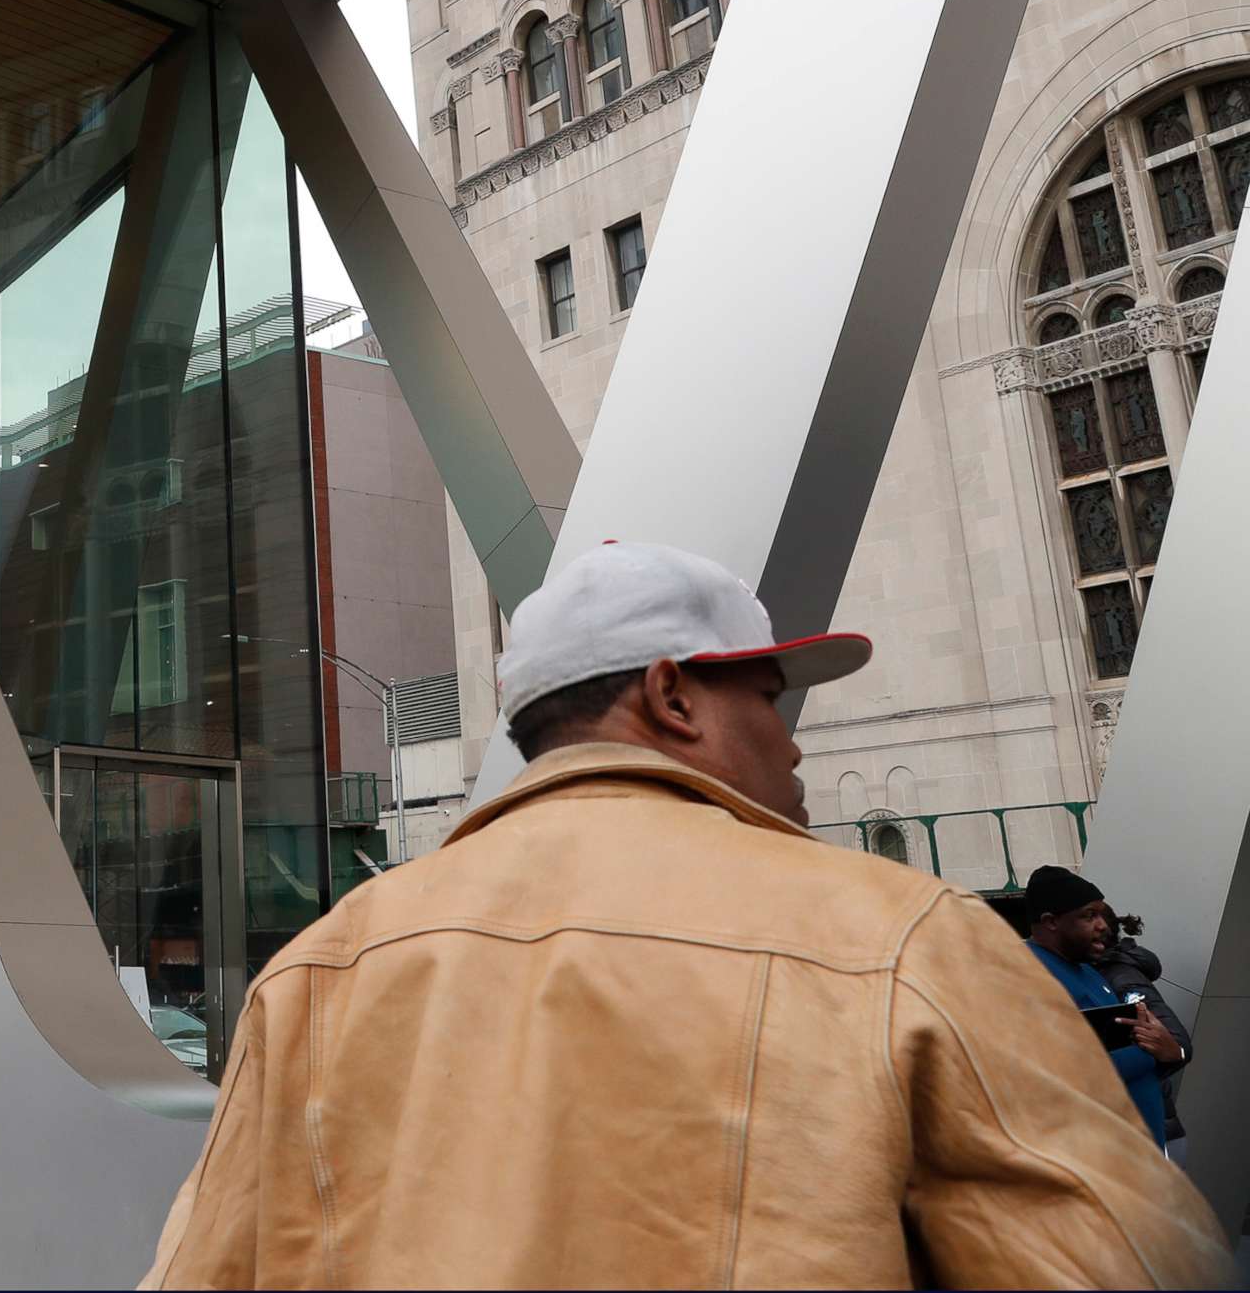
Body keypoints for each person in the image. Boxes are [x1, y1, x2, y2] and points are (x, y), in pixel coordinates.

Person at [142, 541, 1232, 1289]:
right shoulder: (902, 938)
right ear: (671, 695)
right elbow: (1127, 1263)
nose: (794, 741)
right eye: (769, 696)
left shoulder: (319, 968)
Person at [1022, 865, 1185, 1147]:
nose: (1104, 926)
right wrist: (1155, 1053)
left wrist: (1169, 1050)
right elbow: (1062, 1072)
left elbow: (1139, 1047)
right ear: (1050, 922)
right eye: (1089, 915)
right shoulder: (1027, 973)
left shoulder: (1086, 971)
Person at [1103, 911, 1196, 1160]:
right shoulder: (1094, 974)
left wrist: (1147, 1065)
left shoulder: (1121, 977)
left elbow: (1178, 1044)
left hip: (1156, 1137)